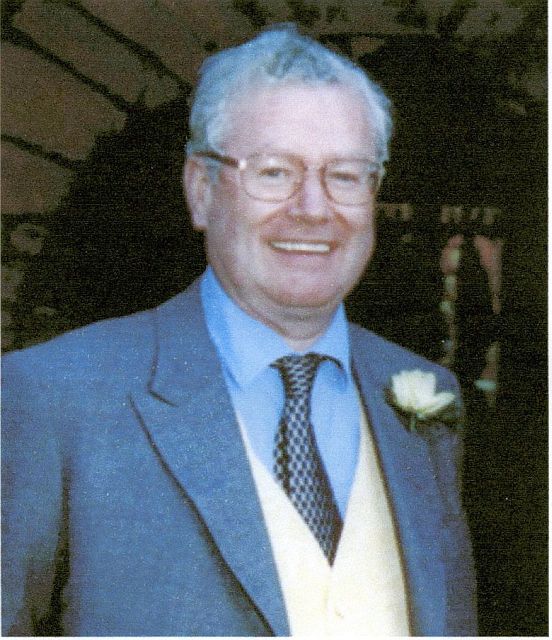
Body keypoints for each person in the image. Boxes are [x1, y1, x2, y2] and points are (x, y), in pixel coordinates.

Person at [2, 24, 476, 636]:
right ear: (201, 190)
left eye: (344, 175)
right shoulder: (52, 398)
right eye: (274, 172)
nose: (313, 209)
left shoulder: (423, 400)